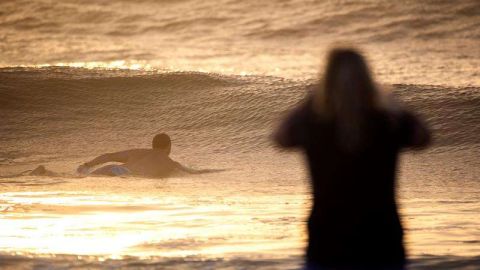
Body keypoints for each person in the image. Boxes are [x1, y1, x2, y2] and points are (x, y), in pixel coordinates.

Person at [274, 48, 431, 269]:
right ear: (367, 78)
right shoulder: (387, 121)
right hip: (381, 239)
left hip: (327, 239)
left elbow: (281, 138)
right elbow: (423, 138)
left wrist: (309, 100)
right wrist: (394, 102)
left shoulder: (313, 122)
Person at [77, 133, 210, 177]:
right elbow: (194, 173)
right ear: (169, 147)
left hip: (112, 168)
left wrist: (87, 165)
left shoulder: (138, 152)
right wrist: (214, 171)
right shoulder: (171, 164)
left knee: (83, 178)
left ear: (153, 145)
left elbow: (108, 156)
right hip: (124, 174)